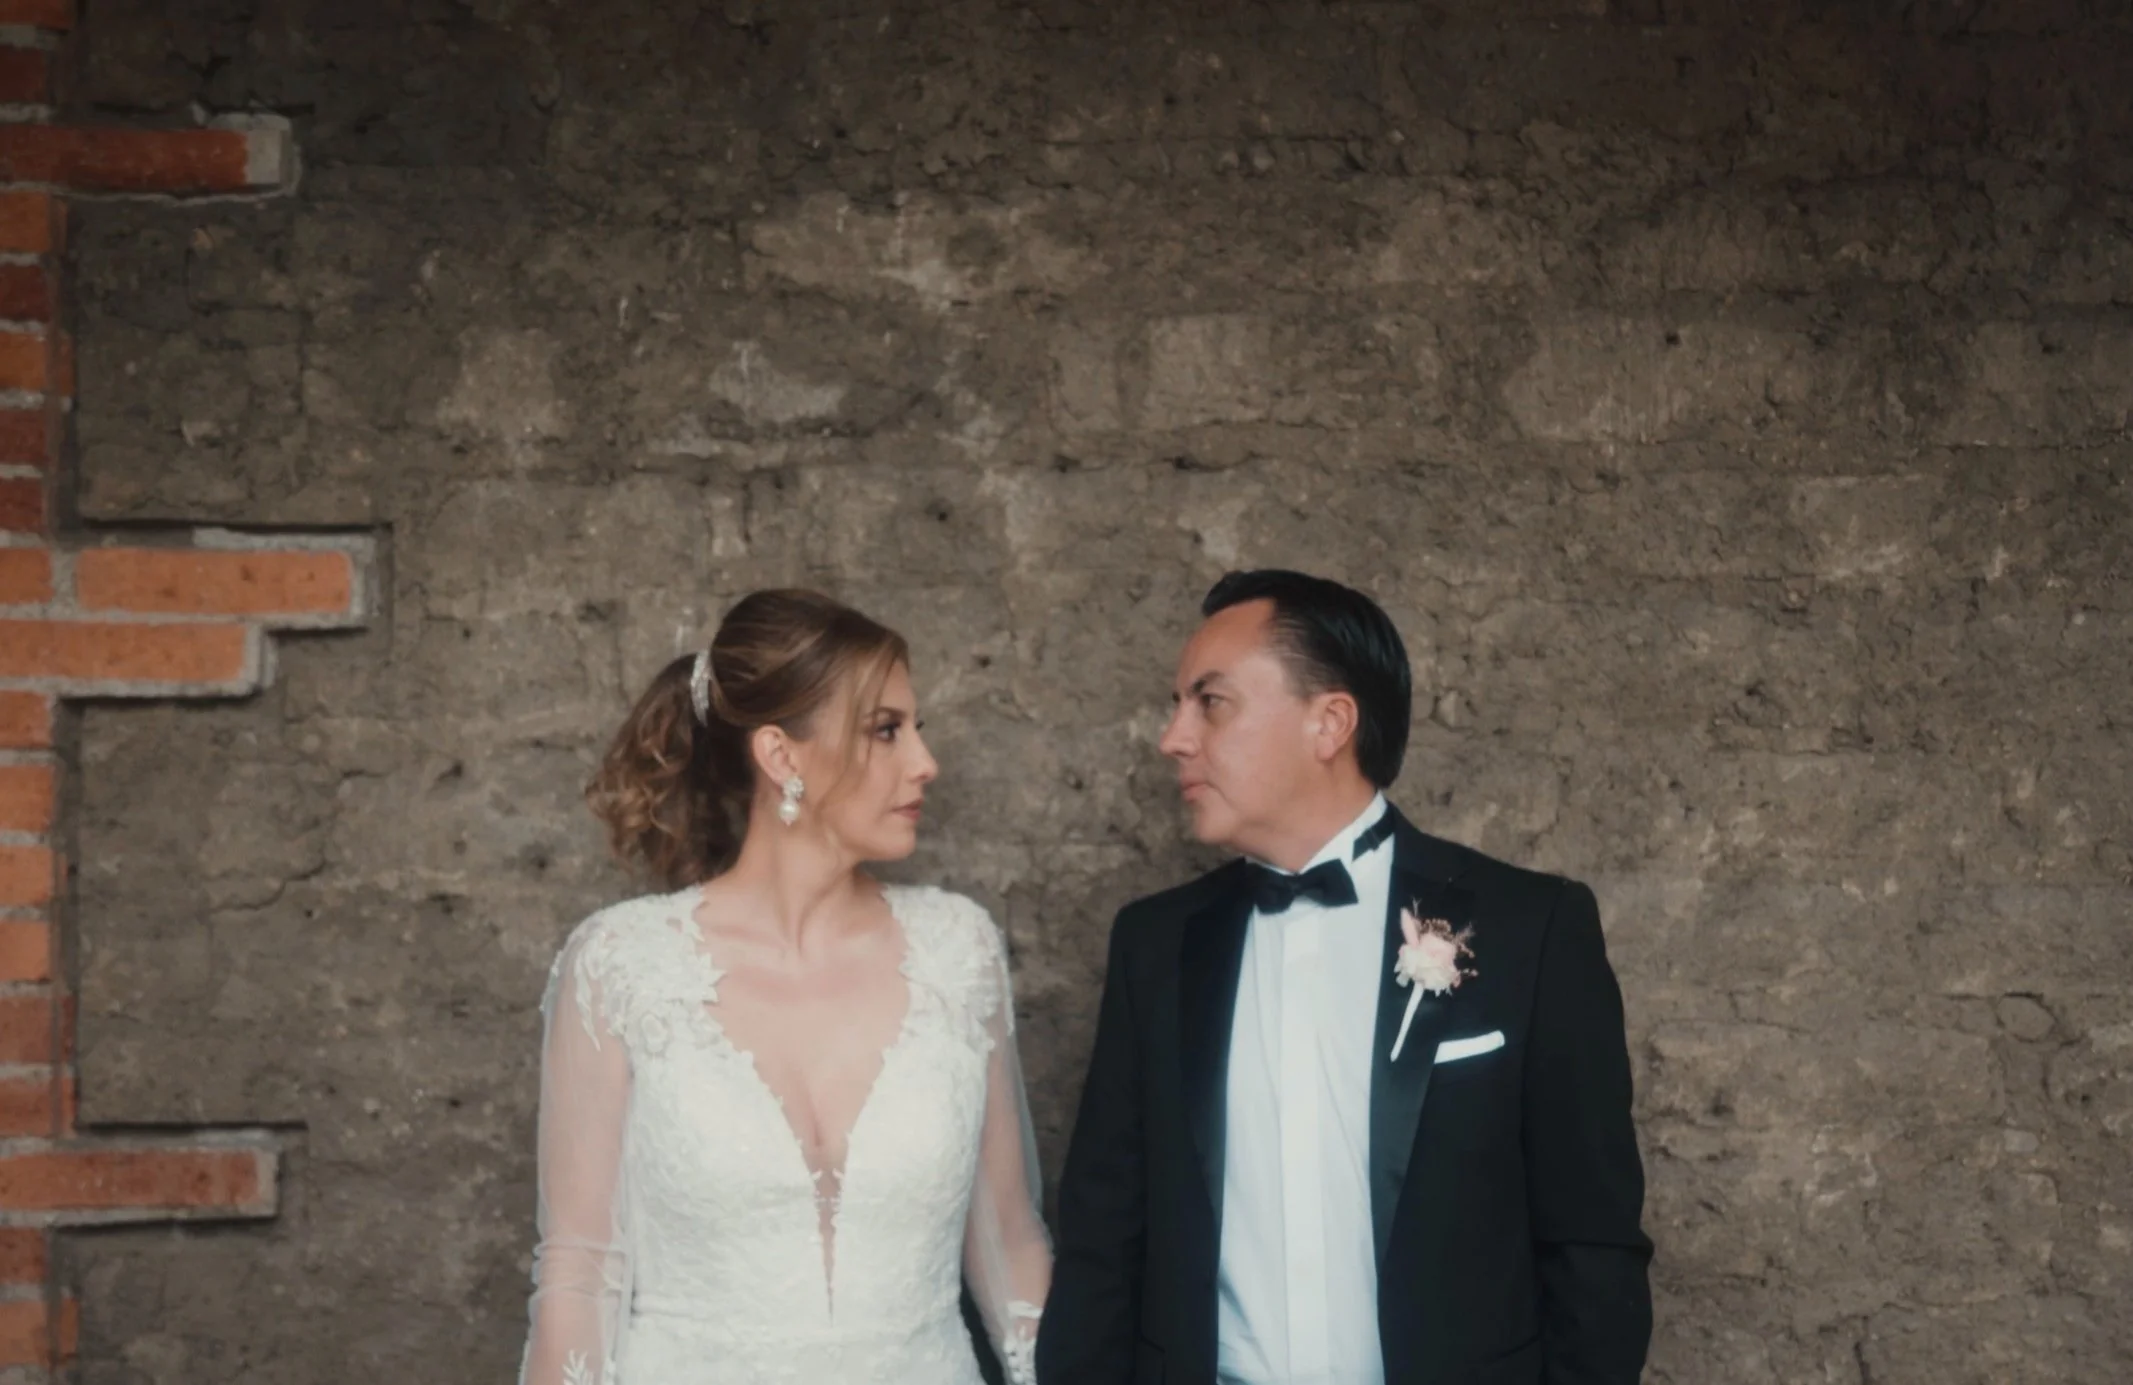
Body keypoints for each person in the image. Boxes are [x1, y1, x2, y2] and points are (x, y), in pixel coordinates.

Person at [1038, 570, 1650, 1385]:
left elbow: (1591, 1245)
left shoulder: (1529, 928)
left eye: (1209, 702)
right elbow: (1101, 1241)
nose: (1172, 738)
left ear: (1329, 722)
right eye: (1176, 704)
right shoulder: (1153, 944)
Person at [517, 589, 1051, 1385]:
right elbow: (578, 1271)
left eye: (916, 728)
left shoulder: (957, 950)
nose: (924, 762)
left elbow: (1011, 1245)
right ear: (780, 755)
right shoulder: (620, 964)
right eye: (885, 729)